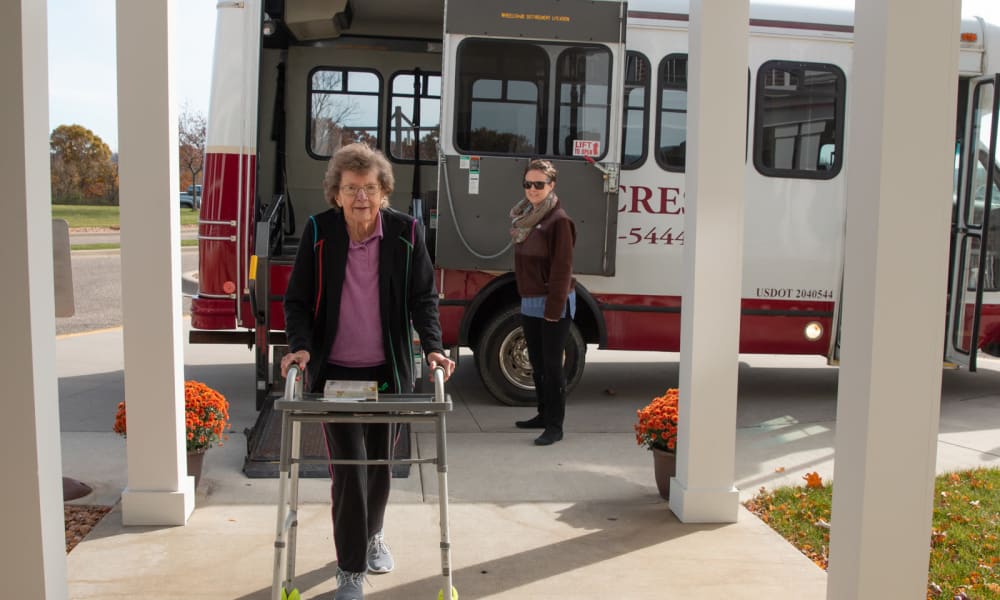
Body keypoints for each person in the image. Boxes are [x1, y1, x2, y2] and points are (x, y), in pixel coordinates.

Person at [280, 142, 455, 600]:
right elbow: (296, 300)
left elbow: (423, 298)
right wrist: (299, 347)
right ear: (335, 193)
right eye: (351, 188)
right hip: (335, 373)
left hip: (386, 373)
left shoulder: (406, 232)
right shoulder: (320, 231)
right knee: (350, 470)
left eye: (370, 188)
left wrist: (433, 349)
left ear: (384, 193)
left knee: (380, 465)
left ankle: (374, 534)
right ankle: (350, 568)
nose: (361, 197)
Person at [510, 159, 577, 446]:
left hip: (553, 305)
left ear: (552, 186)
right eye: (528, 184)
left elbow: (563, 268)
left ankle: (555, 425)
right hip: (530, 301)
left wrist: (553, 310)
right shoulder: (527, 217)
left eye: (539, 184)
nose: (533, 189)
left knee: (552, 366)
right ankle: (542, 413)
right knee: (537, 364)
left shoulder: (558, 220)